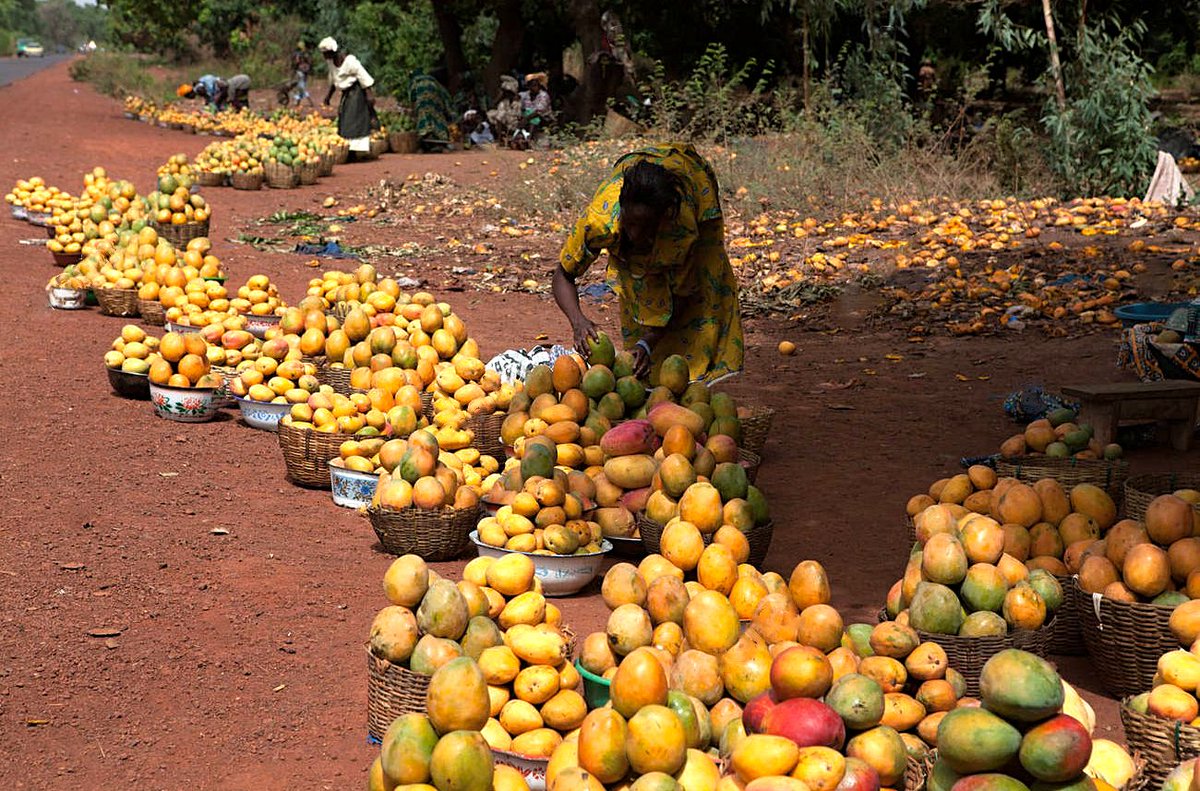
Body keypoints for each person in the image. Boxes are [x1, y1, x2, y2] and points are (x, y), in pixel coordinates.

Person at [552, 143, 744, 384]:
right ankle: (649, 364)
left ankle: (691, 377)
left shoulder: (680, 229)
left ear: (662, 219)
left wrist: (647, 343)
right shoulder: (599, 223)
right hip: (639, 186)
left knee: (702, 296)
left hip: (694, 181)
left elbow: (684, 295)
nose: (636, 234)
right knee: (639, 289)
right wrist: (578, 322)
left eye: (647, 226)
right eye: (630, 223)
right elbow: (563, 275)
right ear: (621, 208)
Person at [319, 37, 377, 156]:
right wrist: (328, 96)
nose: (325, 57)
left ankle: (356, 150)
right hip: (346, 94)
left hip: (356, 92)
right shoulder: (331, 62)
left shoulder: (349, 61)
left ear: (332, 52)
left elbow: (362, 75)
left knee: (354, 120)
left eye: (326, 54)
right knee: (344, 120)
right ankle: (349, 149)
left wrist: (369, 94)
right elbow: (334, 79)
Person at [410, 71, 455, 150]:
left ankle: (424, 136)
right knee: (438, 118)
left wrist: (414, 113)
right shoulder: (433, 81)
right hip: (435, 103)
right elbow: (444, 94)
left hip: (422, 105)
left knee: (423, 119)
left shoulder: (414, 82)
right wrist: (447, 108)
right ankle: (442, 138)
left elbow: (412, 98)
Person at [487, 75, 522, 141]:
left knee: (499, 117)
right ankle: (499, 136)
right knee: (491, 114)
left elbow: (518, 115)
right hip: (506, 121)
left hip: (513, 122)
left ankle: (500, 138)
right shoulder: (503, 102)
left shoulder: (517, 102)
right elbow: (494, 105)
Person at [290, 41, 314, 108]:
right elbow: (310, 62)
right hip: (305, 72)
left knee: (301, 87)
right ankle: (297, 102)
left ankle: (310, 101)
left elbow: (297, 62)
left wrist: (294, 68)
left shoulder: (298, 54)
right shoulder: (306, 54)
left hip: (300, 71)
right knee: (301, 87)